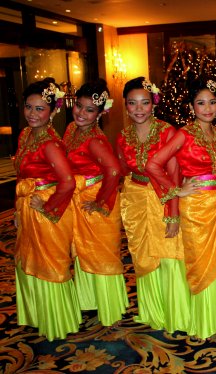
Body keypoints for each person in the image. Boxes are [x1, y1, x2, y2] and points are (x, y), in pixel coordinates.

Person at [145, 77, 216, 340]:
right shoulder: (183, 134)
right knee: (200, 264)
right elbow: (153, 165)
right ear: (192, 107)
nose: (208, 108)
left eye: (212, 102)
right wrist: (176, 191)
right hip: (195, 208)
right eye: (201, 103)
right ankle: (204, 323)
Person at [116, 77, 190, 332]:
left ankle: (176, 314)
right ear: (125, 106)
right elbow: (124, 169)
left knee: (169, 255)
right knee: (143, 255)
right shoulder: (123, 136)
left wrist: (173, 214)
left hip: (163, 198)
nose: (138, 109)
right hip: (135, 200)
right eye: (132, 103)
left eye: (144, 103)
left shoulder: (167, 132)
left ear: (153, 104)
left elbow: (174, 175)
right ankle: (152, 312)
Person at [14, 79, 81, 340]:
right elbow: (21, 175)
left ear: (53, 111)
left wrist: (47, 207)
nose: (32, 113)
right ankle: (39, 315)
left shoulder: (51, 144)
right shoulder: (25, 135)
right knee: (30, 260)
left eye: (40, 108)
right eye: (29, 107)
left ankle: (58, 321)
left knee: (50, 264)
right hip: (28, 207)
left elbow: (68, 182)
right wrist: (20, 211)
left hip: (46, 210)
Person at [63, 79, 128, 327]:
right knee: (82, 252)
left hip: (95, 202)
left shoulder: (95, 140)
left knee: (100, 256)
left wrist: (100, 202)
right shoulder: (71, 129)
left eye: (90, 110)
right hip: (78, 199)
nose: (81, 113)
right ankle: (88, 300)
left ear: (101, 113)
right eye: (79, 106)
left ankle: (109, 308)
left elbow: (113, 172)